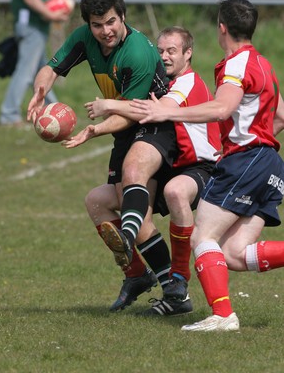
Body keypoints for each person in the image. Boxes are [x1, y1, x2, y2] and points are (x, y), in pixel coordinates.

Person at [130, 0, 284, 330]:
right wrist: (259, 143)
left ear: (222, 28)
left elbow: (221, 109)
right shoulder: (264, 64)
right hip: (269, 164)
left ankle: (223, 315)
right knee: (234, 254)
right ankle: (222, 314)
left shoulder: (235, 65)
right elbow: (281, 115)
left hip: (246, 160)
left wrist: (168, 111)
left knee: (202, 236)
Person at [27, 0, 174, 312]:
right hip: (125, 127)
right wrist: (39, 92)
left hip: (155, 124)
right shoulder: (84, 38)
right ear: (88, 25)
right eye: (97, 24)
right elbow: (52, 68)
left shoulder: (136, 51)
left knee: (133, 199)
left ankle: (174, 287)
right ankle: (137, 275)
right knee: (97, 203)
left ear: (122, 16)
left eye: (110, 21)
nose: (105, 30)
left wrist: (93, 130)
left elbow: (132, 113)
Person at [83, 26, 221, 315]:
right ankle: (141, 276)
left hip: (201, 167)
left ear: (188, 53)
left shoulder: (187, 82)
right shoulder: (160, 84)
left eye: (172, 51)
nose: (164, 57)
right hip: (172, 165)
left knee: (175, 191)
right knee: (98, 200)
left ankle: (179, 281)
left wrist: (109, 104)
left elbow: (155, 111)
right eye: (160, 51)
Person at [0, 0, 69, 126]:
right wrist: (50, 14)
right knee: (25, 72)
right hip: (31, 28)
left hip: (37, 28)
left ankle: (51, 110)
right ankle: (9, 114)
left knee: (43, 72)